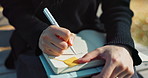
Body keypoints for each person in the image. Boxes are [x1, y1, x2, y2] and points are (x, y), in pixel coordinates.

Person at [1, 0, 142, 78]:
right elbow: (14, 7)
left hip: (95, 37)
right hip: (32, 43)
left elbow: (117, 6)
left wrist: (121, 44)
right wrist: (37, 33)